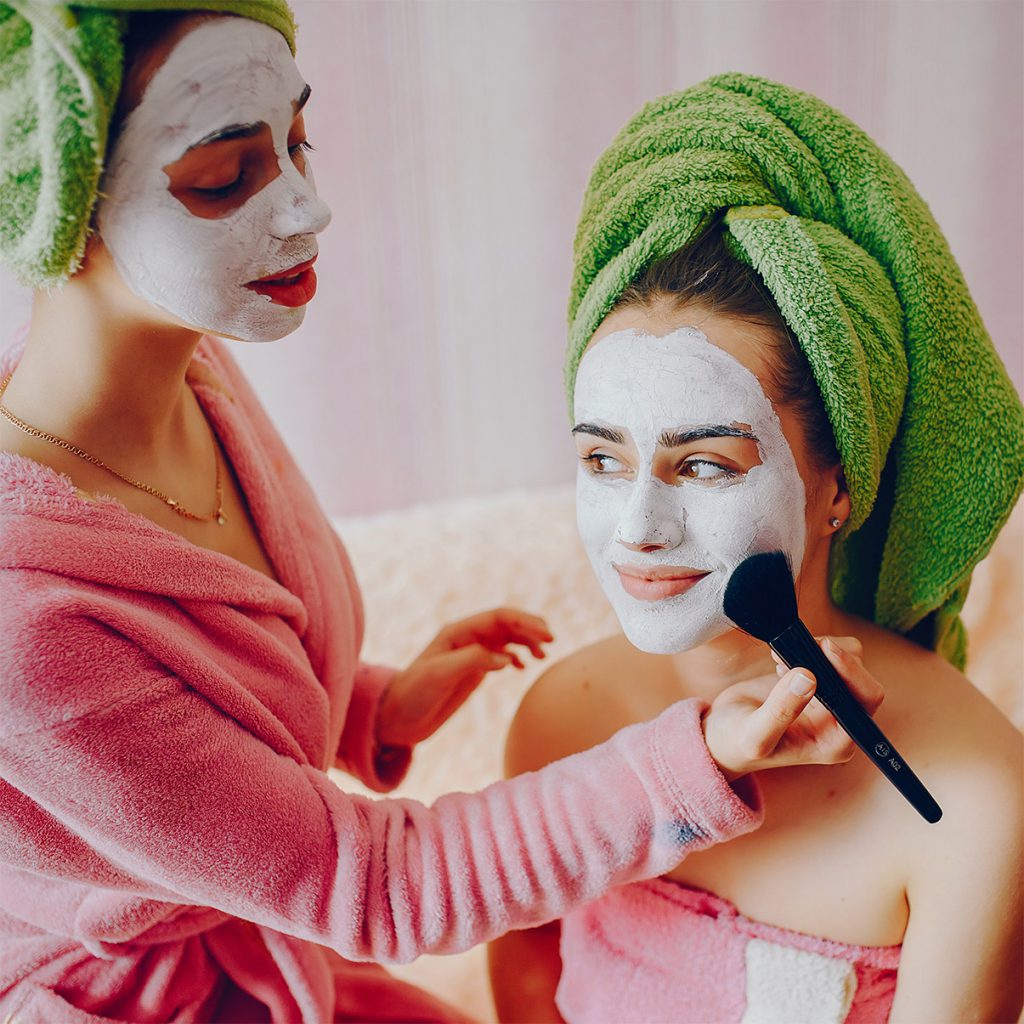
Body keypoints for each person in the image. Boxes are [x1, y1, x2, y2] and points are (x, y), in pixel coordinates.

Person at [0, 11, 879, 1021]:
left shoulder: (196, 372)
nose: (305, 209)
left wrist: (367, 707)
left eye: (297, 142)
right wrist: (699, 757)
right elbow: (378, 885)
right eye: (221, 178)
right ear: (56, 210)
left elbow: (186, 719)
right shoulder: (23, 626)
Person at [489, 75, 1024, 1023]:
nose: (638, 528)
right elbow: (528, 992)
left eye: (703, 466)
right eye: (603, 459)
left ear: (839, 487)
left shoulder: (970, 802)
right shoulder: (561, 720)